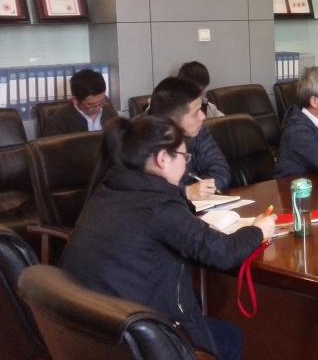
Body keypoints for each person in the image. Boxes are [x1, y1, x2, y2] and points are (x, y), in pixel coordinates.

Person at [60, 115, 276, 360]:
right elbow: (224, 253)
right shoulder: (158, 205)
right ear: (162, 158)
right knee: (230, 338)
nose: (186, 165)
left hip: (92, 331)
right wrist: (258, 230)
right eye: (184, 157)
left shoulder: (108, 188)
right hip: (139, 337)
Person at [148, 76, 231, 199]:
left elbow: (221, 171)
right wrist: (186, 191)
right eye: (196, 113)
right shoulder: (141, 140)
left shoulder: (198, 131)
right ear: (173, 120)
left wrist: (201, 189)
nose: (203, 116)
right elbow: (145, 187)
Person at [42, 68, 118, 136]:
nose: (98, 108)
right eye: (91, 105)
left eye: (101, 102)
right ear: (75, 100)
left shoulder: (109, 111)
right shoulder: (57, 122)